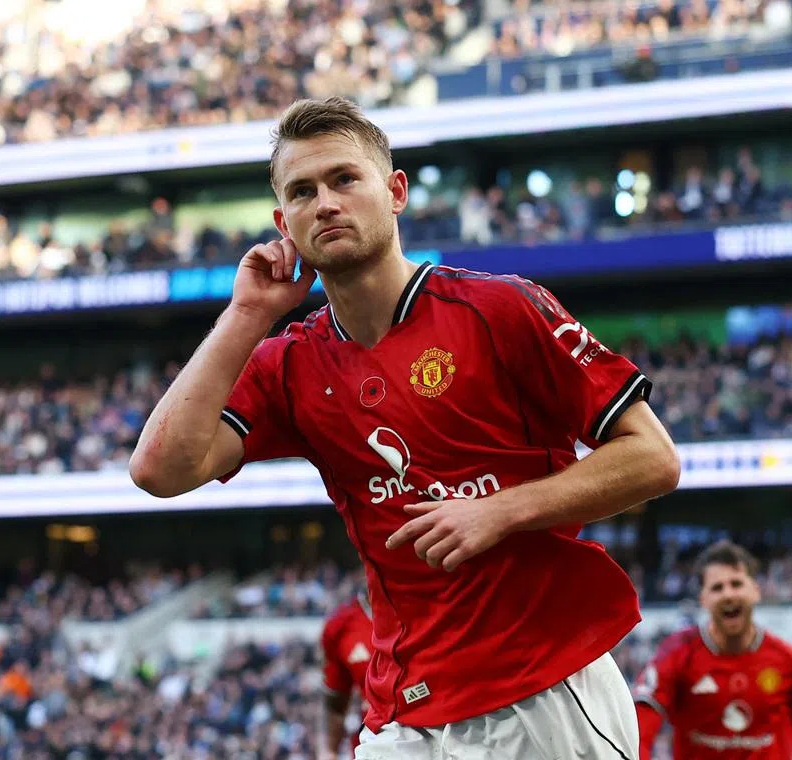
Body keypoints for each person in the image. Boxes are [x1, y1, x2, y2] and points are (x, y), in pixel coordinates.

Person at [130, 96, 681, 758]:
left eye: (343, 179)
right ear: (284, 222)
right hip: (406, 708)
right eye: (302, 192)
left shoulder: (499, 308)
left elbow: (653, 457)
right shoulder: (290, 364)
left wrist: (499, 511)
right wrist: (247, 312)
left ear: (395, 192)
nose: (325, 203)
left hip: (544, 689)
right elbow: (159, 470)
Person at [634, 540, 792, 759]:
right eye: (717, 587)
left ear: (756, 591)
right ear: (703, 599)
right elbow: (641, 726)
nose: (728, 594)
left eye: (736, 584)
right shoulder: (677, 654)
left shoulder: (787, 658)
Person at [320, 588, 375, 760]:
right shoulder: (340, 626)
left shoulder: (429, 605)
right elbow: (336, 699)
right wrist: (330, 751)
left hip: (435, 731)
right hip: (374, 741)